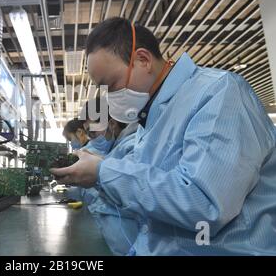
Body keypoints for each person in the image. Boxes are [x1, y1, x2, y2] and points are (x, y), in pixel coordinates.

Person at [51, 17, 276, 255]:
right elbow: (151, 199)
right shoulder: (151, 119)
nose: (109, 98)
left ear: (143, 60)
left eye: (112, 84)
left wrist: (102, 172)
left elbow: (203, 204)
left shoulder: (218, 93)